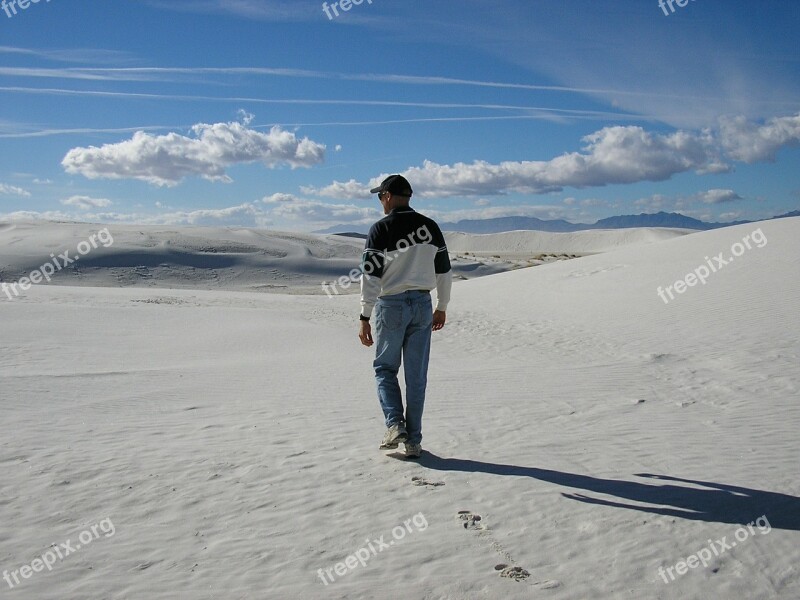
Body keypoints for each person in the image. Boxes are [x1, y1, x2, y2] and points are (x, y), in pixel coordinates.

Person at [358, 175, 452, 458]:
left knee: (385, 369)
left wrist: (364, 315)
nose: (380, 202)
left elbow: (370, 276)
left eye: (380, 197)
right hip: (423, 305)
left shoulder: (380, 229)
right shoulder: (430, 227)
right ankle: (414, 441)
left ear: (387, 196)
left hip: (392, 305)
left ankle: (395, 424)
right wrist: (442, 305)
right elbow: (444, 271)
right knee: (416, 376)